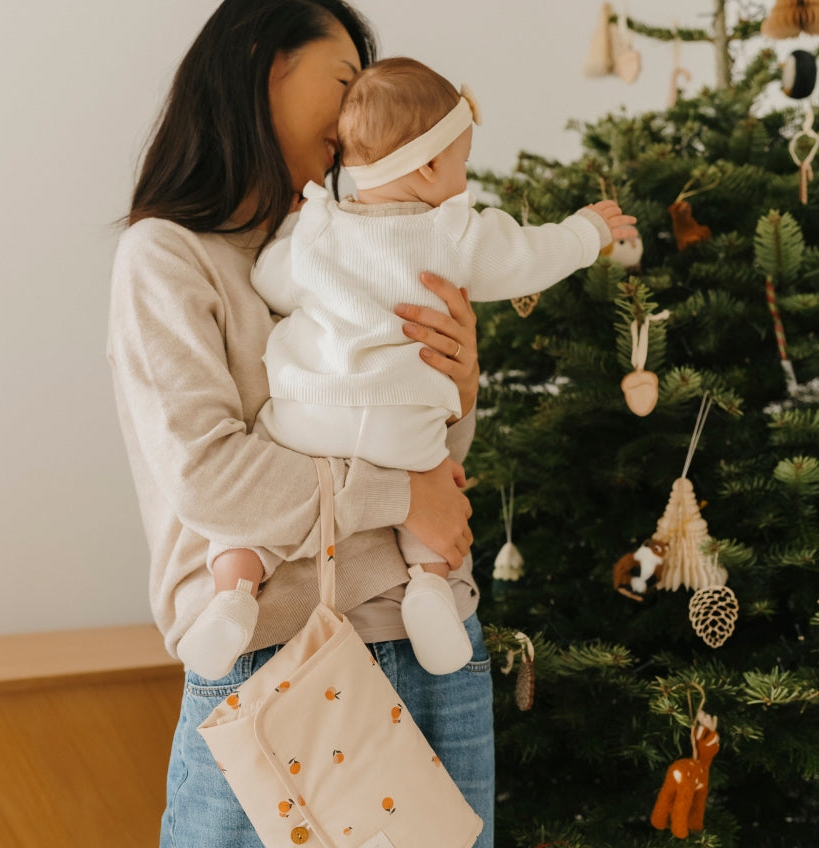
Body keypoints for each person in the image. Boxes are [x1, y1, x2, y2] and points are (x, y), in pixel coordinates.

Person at [108, 2, 491, 848]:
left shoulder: (368, 242)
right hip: (269, 662)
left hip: (433, 655)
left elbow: (439, 474)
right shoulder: (169, 257)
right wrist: (399, 492)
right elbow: (217, 481)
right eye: (344, 70)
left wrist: (460, 392)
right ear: (262, 66)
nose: (363, 97)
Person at [178, 56, 637, 679]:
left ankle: (234, 591)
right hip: (403, 420)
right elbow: (531, 256)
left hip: (308, 412)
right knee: (435, 489)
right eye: (462, 162)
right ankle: (426, 589)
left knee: (247, 530)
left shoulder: (317, 226)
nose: (463, 177)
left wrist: (297, 250)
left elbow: (270, 280)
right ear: (428, 165)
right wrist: (587, 232)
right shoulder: (455, 233)